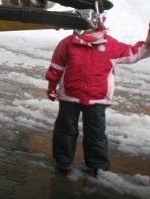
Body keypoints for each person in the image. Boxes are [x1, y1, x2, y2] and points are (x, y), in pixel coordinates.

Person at [46, 17, 149, 176]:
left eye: (88, 25)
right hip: (70, 96)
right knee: (65, 130)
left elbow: (134, 53)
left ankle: (97, 165)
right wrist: (52, 85)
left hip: (97, 98)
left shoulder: (109, 45)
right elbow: (56, 66)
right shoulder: (68, 43)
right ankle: (63, 160)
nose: (85, 29)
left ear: (97, 24)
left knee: (96, 133)